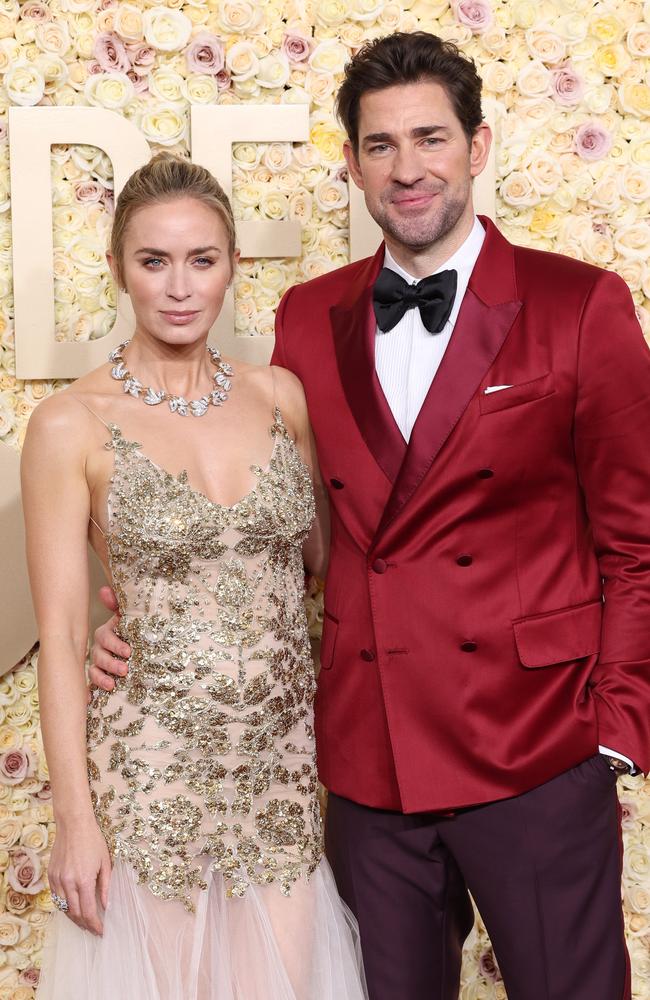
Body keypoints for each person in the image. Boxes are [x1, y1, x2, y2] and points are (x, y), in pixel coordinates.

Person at [90, 32, 650, 1000]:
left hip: (533, 751)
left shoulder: (579, 303)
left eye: (428, 138)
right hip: (365, 760)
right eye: (380, 146)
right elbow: (280, 520)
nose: (406, 168)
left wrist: (615, 727)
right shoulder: (307, 316)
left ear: (476, 147)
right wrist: (134, 613)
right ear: (348, 164)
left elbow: (636, 540)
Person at [22, 153, 367, 1000]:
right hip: (150, 776)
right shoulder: (72, 424)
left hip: (280, 775)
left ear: (232, 269)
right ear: (117, 270)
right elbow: (65, 634)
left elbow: (324, 568)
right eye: (154, 261)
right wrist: (74, 821)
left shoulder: (281, 396)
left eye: (202, 261)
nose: (179, 286)